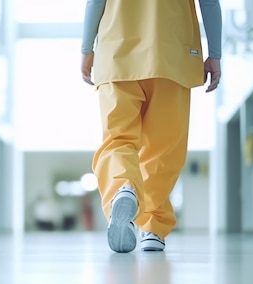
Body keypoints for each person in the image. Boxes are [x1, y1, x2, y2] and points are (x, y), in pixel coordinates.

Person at [81, 0, 222, 253]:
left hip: (117, 53)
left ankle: (122, 188)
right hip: (172, 54)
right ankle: (153, 227)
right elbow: (209, 2)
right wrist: (215, 53)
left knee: (118, 139)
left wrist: (86, 48)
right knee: (163, 148)